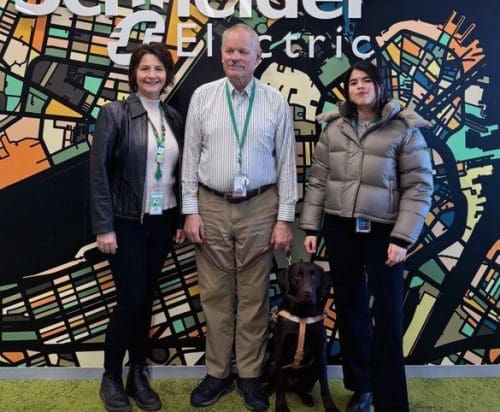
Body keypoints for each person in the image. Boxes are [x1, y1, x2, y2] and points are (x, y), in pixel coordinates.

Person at [300, 61, 433, 412]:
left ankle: (390, 399)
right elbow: (318, 180)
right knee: (349, 307)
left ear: (380, 85)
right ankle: (362, 387)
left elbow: (419, 188)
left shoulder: (405, 129)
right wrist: (311, 227)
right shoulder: (334, 128)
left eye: (366, 81)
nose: (359, 86)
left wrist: (402, 238)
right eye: (353, 82)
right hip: (340, 228)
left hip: (384, 232)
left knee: (388, 313)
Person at [182, 23, 297, 411]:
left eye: (243, 52)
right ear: (221, 55)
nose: (235, 57)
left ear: (258, 57)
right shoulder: (203, 97)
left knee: (253, 297)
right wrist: (190, 211)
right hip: (210, 206)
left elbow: (287, 166)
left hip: (260, 206)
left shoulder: (275, 102)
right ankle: (217, 373)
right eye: (229, 51)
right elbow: (188, 160)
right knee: (214, 295)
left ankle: (249, 376)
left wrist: (284, 219)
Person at [89, 42, 184, 412]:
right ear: (134, 74)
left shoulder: (173, 117)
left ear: (167, 75)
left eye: (158, 69)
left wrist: (177, 220)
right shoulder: (115, 113)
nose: (151, 75)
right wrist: (104, 227)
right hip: (126, 223)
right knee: (130, 301)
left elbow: (177, 175)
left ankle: (138, 374)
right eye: (145, 69)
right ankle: (111, 375)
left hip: (161, 223)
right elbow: (98, 173)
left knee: (145, 302)